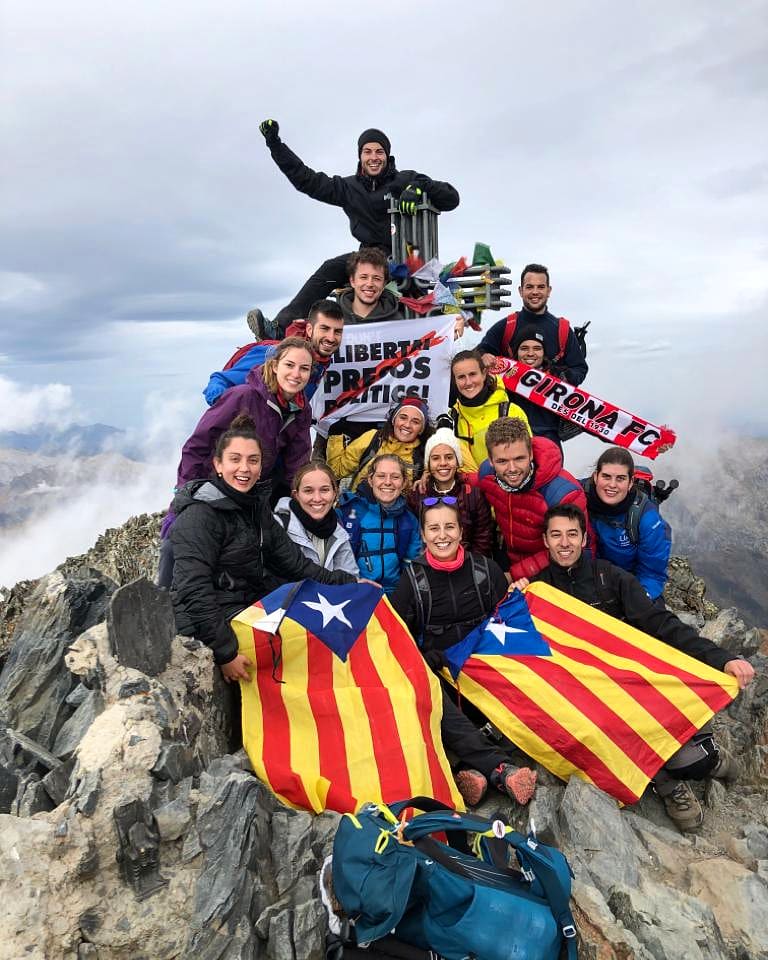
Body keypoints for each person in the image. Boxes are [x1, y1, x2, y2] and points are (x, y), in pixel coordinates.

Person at [520, 504, 755, 831]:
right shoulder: (537, 591)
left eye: (572, 534)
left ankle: (713, 760)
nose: (564, 543)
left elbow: (663, 624)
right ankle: (667, 784)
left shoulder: (610, 577)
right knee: (605, 740)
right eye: (556, 535)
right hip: (589, 695)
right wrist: (516, 597)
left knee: (694, 761)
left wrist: (722, 658)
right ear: (545, 540)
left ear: (584, 538)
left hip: (633, 682)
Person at [170, 416, 360, 682]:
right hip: (208, 628)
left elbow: (295, 565)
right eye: (235, 459)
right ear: (218, 465)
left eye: (253, 460)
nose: (244, 468)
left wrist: (351, 583)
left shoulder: (257, 509)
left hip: (245, 612)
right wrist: (226, 653)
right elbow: (193, 589)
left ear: (261, 467)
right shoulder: (199, 517)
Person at [390, 499, 537, 806]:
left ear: (461, 531)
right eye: (434, 528)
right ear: (423, 534)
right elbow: (397, 641)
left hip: (485, 673)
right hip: (443, 677)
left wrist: (525, 593)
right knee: (427, 693)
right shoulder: (412, 582)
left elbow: (508, 618)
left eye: (449, 527)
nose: (442, 535)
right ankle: (501, 769)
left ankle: (470, 768)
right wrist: (425, 658)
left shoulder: (486, 570)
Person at [256, 121, 460, 331]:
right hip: (368, 257)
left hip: (409, 261)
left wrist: (418, 187)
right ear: (360, 156)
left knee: (366, 270)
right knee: (331, 268)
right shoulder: (347, 188)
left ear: (387, 156)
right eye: (367, 152)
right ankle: (281, 327)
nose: (373, 157)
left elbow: (452, 198)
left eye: (379, 152)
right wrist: (275, 144)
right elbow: (306, 180)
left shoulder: (405, 179)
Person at [175, 337, 314, 505]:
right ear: (275, 366)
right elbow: (199, 443)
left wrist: (301, 500)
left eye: (304, 368)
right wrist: (184, 490)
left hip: (252, 489)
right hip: (213, 485)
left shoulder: (301, 410)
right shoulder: (242, 396)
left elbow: (297, 460)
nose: (296, 374)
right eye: (289, 365)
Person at [477, 417, 588, 580]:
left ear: (530, 454)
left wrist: (513, 575)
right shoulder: (487, 474)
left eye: (519, 458)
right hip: (509, 558)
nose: (512, 469)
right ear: (491, 460)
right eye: (502, 461)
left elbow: (574, 551)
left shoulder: (563, 494)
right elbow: (470, 480)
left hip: (557, 571)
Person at [204, 300, 344, 406]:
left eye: (337, 331)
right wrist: (230, 412)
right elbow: (221, 380)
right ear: (309, 330)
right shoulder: (275, 353)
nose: (331, 338)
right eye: (324, 329)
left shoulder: (320, 365)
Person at [582, 448, 671, 601]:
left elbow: (651, 574)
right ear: (595, 477)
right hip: (584, 577)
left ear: (630, 483)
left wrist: (635, 601)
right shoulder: (576, 494)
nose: (612, 485)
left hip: (627, 584)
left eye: (620, 479)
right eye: (606, 476)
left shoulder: (647, 519)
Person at [477, 264, 587, 385]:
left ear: (548, 291)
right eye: (529, 287)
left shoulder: (563, 330)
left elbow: (580, 369)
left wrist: (564, 376)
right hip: (509, 402)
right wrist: (483, 356)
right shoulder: (505, 327)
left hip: (549, 402)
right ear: (520, 291)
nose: (535, 292)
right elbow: (478, 354)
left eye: (540, 287)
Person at [337, 454, 422, 594]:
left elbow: (412, 563)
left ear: (404, 481)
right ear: (370, 480)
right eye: (381, 476)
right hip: (355, 591)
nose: (388, 482)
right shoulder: (348, 513)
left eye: (395, 477)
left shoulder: (408, 519)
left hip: (395, 594)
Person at [407, 428, 494, 556]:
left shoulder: (473, 495)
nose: (443, 463)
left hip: (467, 565)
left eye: (449, 457)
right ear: (428, 464)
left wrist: (471, 564)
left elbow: (483, 537)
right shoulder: (417, 494)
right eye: (436, 458)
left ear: (457, 461)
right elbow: (412, 535)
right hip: (429, 566)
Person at [448, 349, 532, 471]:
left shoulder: (510, 412)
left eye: (473, 374)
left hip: (508, 486)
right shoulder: (452, 419)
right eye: (461, 377)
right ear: (454, 381)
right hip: (471, 488)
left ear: (484, 373)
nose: (468, 382)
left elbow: (527, 459)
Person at [328, 397, 433, 491]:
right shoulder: (372, 438)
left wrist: (429, 479)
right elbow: (336, 471)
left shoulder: (426, 454)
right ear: (393, 420)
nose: (407, 425)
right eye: (403, 417)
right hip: (360, 508)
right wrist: (335, 435)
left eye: (415, 422)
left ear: (421, 429)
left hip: (399, 512)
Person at [273, 461, 359, 575]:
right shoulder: (277, 525)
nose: (317, 498)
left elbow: (350, 580)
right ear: (296, 495)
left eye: (324, 490)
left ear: (335, 494)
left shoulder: (339, 534)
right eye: (308, 491)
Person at [502, 327, 564, 447]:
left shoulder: (560, 376)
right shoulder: (503, 376)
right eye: (524, 348)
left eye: (537, 348)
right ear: (516, 352)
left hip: (550, 441)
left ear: (544, 352)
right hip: (514, 439)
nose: (530, 353)